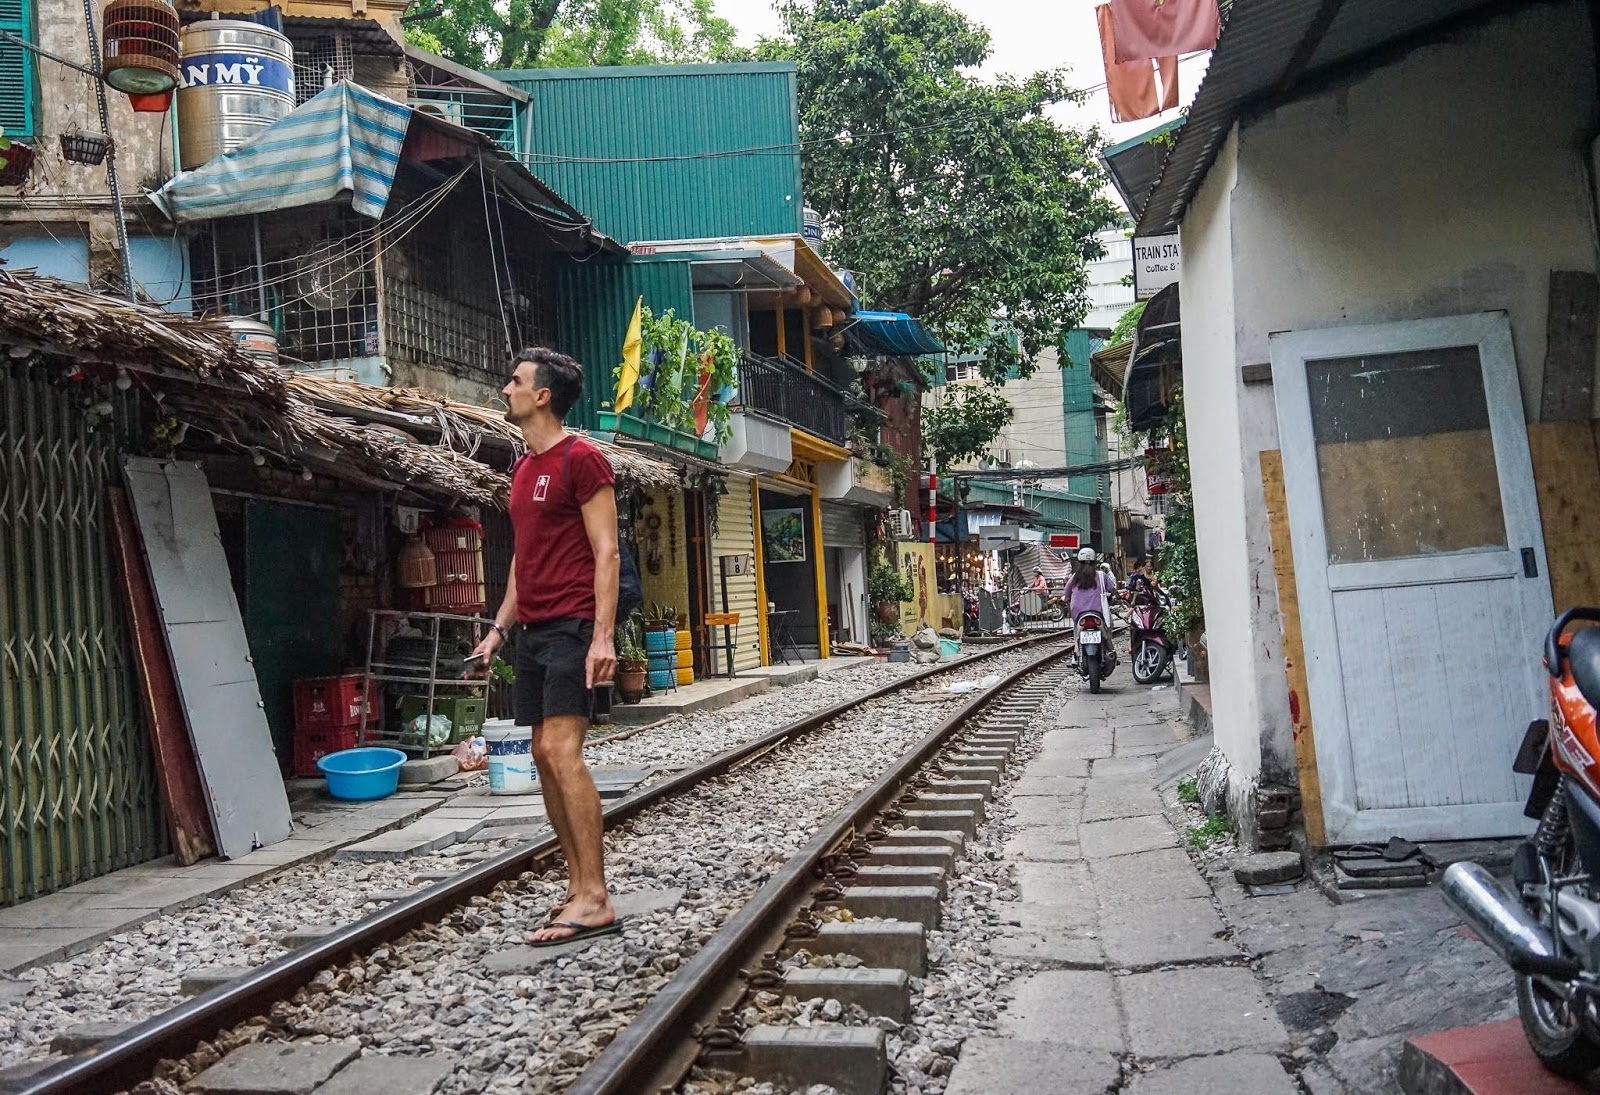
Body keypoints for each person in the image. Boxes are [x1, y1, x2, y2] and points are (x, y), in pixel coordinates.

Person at [470, 347, 620, 947]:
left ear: (542, 397)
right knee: (539, 752)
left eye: (515, 381)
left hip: (572, 625)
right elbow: (521, 562)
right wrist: (498, 629)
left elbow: (606, 551)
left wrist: (603, 636)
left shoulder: (583, 461)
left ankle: (595, 896)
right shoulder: (524, 470)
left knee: (562, 750)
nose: (505, 389)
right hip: (530, 630)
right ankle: (578, 884)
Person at [1067, 547, 1117, 655]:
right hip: (1098, 611)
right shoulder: (1101, 575)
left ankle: (1076, 653)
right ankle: (1110, 649)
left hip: (1078, 613)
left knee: (1076, 631)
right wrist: (1119, 596)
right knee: (1108, 627)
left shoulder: (1075, 577)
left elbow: (1066, 594)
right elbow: (1112, 590)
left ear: (1079, 562)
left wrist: (1066, 599)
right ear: (1095, 562)